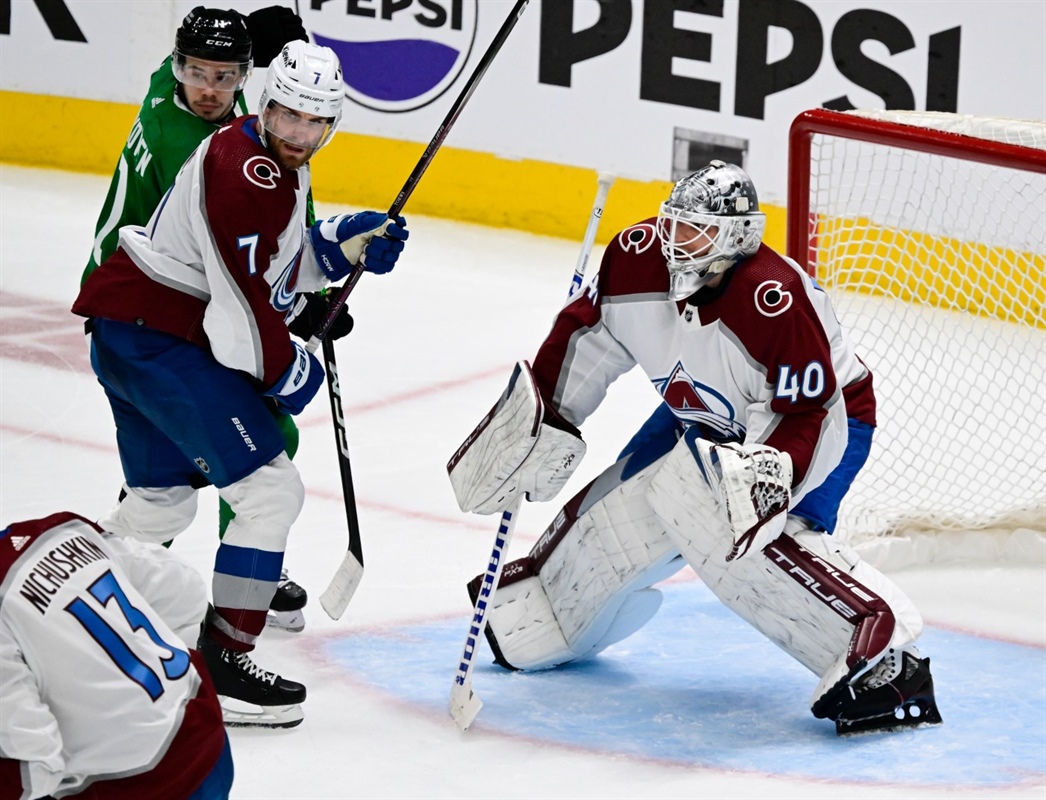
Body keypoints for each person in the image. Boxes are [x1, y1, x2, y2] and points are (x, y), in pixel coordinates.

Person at [447, 160, 941, 736]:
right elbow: (589, 337)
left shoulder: (770, 299)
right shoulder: (636, 260)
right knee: (621, 509)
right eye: (673, 227)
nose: (677, 244)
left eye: (696, 233)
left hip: (823, 422)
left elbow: (807, 409)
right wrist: (544, 420)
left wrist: (769, 477)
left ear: (737, 237)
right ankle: (549, 606)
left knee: (736, 537)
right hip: (700, 415)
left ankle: (886, 666)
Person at [71, 40, 408, 728]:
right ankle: (225, 661)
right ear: (269, 105)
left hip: (135, 331)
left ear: (330, 123)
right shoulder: (245, 172)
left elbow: (278, 263)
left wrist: (346, 243)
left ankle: (66, 614)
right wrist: (292, 370)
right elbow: (239, 312)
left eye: (314, 124)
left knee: (160, 504)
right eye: (287, 118)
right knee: (269, 491)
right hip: (160, 339)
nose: (299, 136)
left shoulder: (265, 159)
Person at [82, 5, 319, 634]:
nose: (208, 89)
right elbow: (235, 271)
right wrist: (298, 298)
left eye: (224, 74)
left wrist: (235, 34)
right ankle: (248, 566)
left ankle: (89, 591)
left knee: (161, 496)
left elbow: (205, 66)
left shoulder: (172, 86)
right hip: (158, 310)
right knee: (269, 444)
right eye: (198, 73)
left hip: (131, 301)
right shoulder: (197, 144)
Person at [0, 511, 232, 799]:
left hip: (137, 783)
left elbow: (32, 769)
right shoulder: (62, 529)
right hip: (206, 735)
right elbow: (185, 592)